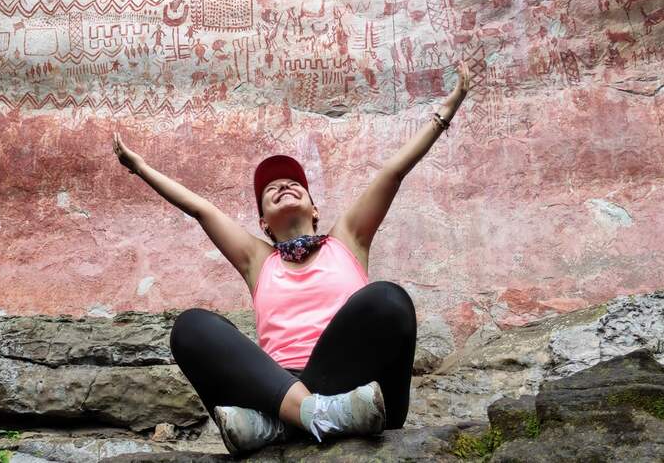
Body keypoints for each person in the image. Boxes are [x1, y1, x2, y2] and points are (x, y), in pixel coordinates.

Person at [111, 60, 471, 456]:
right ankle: (313, 414)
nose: (282, 185)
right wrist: (141, 169)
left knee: (388, 300)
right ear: (264, 223)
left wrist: (445, 113)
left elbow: (391, 174)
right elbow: (202, 210)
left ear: (315, 209)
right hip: (274, 385)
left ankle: (279, 425)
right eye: (271, 189)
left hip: (356, 386)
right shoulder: (257, 260)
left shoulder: (347, 240)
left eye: (293, 183)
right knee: (191, 328)